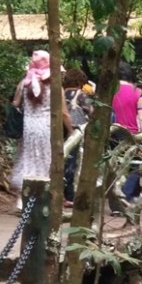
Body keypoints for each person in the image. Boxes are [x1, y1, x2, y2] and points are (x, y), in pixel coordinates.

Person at [9, 49, 71, 208]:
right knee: (46, 160)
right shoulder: (56, 87)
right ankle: (43, 198)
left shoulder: (24, 83)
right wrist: (70, 131)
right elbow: (64, 113)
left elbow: (15, 103)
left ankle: (22, 200)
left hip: (28, 127)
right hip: (46, 127)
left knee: (27, 158)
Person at [110, 62, 142, 203]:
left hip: (112, 133)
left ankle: (116, 201)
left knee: (114, 167)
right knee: (138, 164)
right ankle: (126, 195)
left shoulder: (109, 91)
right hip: (132, 134)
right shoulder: (137, 92)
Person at [62, 67, 92, 206]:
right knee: (74, 163)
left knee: (63, 160)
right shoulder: (81, 94)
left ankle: (61, 193)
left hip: (61, 129)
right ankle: (71, 195)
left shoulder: (61, 93)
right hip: (76, 130)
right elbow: (91, 111)